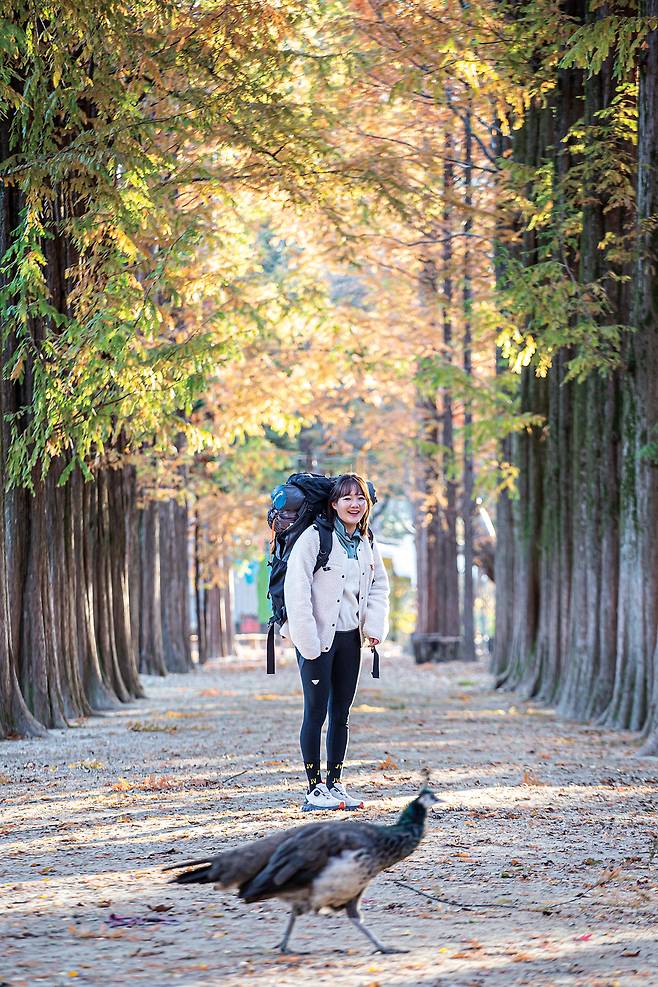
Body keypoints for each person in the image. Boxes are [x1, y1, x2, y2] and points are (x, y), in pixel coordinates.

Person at [281, 473, 390, 810]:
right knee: (315, 713)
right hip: (316, 639)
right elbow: (296, 589)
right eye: (347, 498)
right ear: (333, 503)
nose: (354, 504)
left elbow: (379, 587)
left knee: (341, 714)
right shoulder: (315, 538)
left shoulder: (366, 541)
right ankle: (314, 790)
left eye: (360, 498)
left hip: (349, 641)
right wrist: (306, 640)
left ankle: (335, 784)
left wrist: (373, 625)